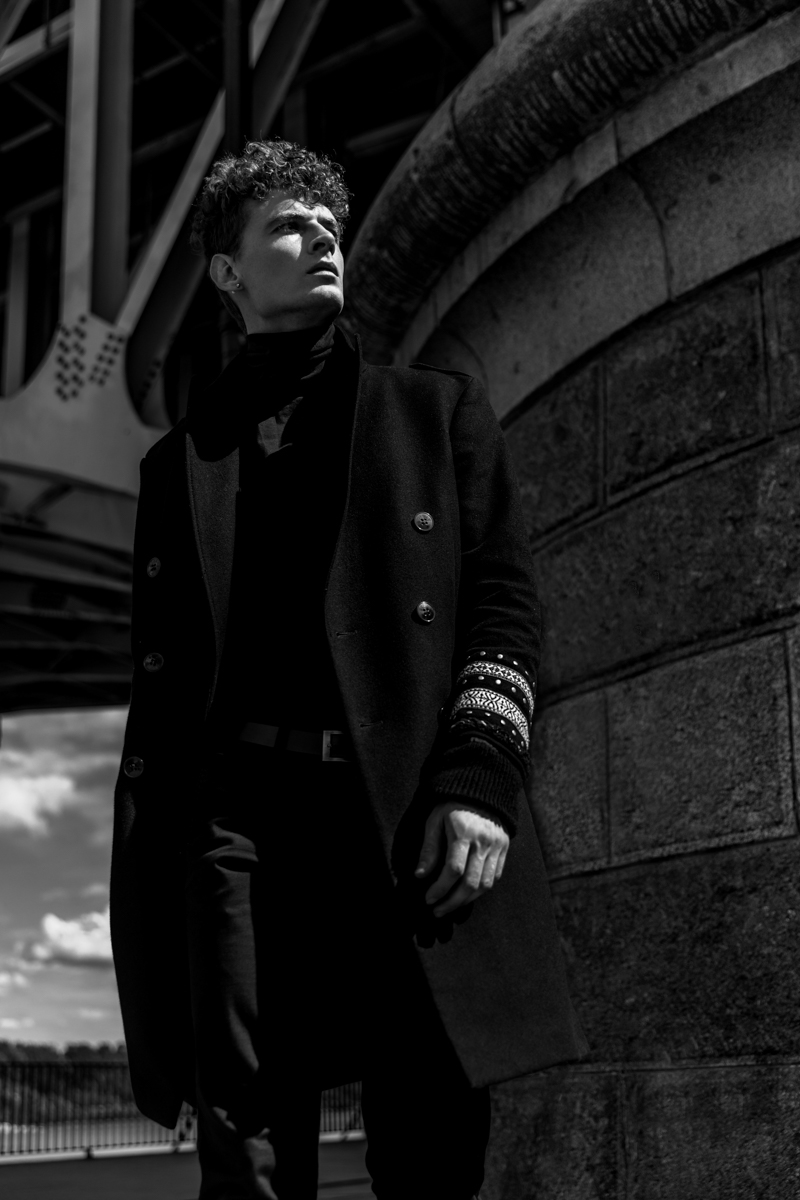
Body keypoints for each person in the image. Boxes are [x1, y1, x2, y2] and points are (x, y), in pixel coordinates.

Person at [110, 139, 587, 1200]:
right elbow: (170, 683)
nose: (322, 237)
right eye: (288, 225)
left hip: (401, 807)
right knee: (245, 1139)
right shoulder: (177, 464)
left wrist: (479, 779)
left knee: (428, 1138)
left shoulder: (433, 414)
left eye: (329, 224)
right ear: (227, 272)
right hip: (237, 824)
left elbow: (501, 608)